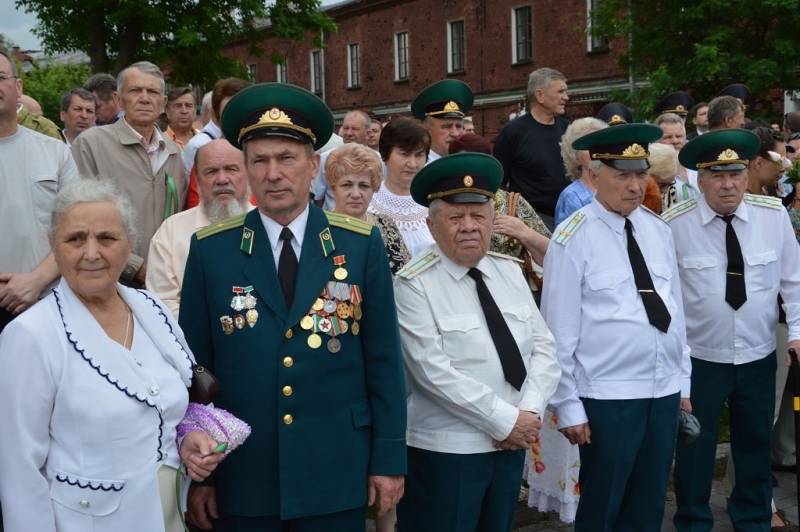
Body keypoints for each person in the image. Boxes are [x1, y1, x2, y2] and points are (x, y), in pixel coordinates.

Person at [179, 82, 407, 530]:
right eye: (259, 161)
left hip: (337, 467)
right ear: (245, 169)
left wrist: (388, 457)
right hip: (244, 474)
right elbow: (195, 368)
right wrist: (200, 476)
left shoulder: (360, 246)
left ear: (313, 165)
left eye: (286, 158)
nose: (273, 173)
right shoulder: (212, 251)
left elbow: (384, 361)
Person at [0, 178, 222, 532]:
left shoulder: (152, 309)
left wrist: (186, 438)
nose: (91, 253)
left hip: (169, 515)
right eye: (75, 239)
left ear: (129, 244)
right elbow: (18, 468)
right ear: (53, 246)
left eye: (107, 238)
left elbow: (169, 403)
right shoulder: (31, 335)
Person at [394, 152, 560, 532]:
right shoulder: (413, 284)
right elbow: (432, 373)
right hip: (447, 453)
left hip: (510, 447)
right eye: (455, 217)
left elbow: (544, 350)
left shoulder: (508, 271)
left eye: (479, 216)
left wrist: (529, 415)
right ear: (431, 225)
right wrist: (505, 422)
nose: (469, 227)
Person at [543, 123, 692, 531]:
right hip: (608, 396)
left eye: (640, 174)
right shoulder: (572, 238)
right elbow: (557, 331)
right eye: (622, 175)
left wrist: (683, 383)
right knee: (602, 504)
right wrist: (568, 405)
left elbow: (674, 311)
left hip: (662, 391)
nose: (633, 185)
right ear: (595, 176)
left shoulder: (657, 230)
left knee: (648, 503)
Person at [666, 129, 800, 532]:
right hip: (701, 358)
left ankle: (754, 518)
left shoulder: (772, 217)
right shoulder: (674, 226)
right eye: (717, 176)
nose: (728, 185)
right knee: (694, 448)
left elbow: (794, 282)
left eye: (736, 174)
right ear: (701, 180)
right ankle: (692, 521)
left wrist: (796, 332)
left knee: (755, 443)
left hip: (759, 354)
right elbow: (668, 298)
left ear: (748, 174)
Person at [72, 61, 187, 289]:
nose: (145, 98)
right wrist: (135, 267)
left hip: (166, 283)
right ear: (119, 99)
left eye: (153, 92)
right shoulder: (91, 144)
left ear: (163, 102)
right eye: (135, 91)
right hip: (110, 281)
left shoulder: (174, 153)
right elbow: (82, 220)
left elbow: (180, 219)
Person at [0, 49, 78, 332]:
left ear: (18, 87)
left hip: (46, 303)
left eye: (0, 77)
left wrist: (37, 279)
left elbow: (76, 229)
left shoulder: (55, 153)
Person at [147, 139, 254, 319]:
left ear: (249, 174)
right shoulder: (171, 232)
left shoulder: (269, 225)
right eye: (211, 171)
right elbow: (162, 302)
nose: (222, 179)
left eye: (231, 169)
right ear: (197, 179)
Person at [448, 132, 551, 267]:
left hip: (512, 283)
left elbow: (554, 251)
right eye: (462, 164)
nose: (470, 171)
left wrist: (524, 232)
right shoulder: (445, 202)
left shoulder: (511, 202)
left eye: (478, 163)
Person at [494, 67, 570, 231]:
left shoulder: (568, 130)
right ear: (540, 95)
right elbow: (499, 184)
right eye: (560, 91)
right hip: (532, 222)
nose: (566, 97)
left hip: (570, 218)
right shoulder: (513, 133)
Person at [325, 143, 410, 276]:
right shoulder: (320, 228)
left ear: (374, 188)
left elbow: (405, 274)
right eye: (346, 185)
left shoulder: (386, 224)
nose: (355, 194)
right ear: (333, 187)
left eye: (364, 186)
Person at [368, 116, 434, 257]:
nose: (412, 164)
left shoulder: (434, 204)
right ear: (385, 155)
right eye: (404, 154)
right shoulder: (367, 203)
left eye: (419, 155)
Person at [182, 78, 252, 209]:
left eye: (241, 111)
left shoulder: (268, 155)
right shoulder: (204, 155)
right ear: (217, 119)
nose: (236, 118)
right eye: (229, 114)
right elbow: (196, 208)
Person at [313, 109, 373, 211]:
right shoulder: (326, 158)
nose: (349, 133)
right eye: (345, 128)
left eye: (355, 129)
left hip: (368, 222)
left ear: (368, 133)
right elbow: (318, 198)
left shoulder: (379, 160)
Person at [554, 117, 607, 225]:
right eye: (588, 147)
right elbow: (567, 240)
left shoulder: (612, 185)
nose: (595, 151)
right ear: (575, 157)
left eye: (600, 144)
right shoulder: (571, 196)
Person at [410, 79, 473, 162]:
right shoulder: (416, 168)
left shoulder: (466, 164)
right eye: (446, 126)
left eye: (459, 126)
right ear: (426, 130)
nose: (455, 133)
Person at [656, 113, 701, 197]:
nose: (675, 141)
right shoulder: (652, 174)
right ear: (656, 141)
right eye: (668, 137)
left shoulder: (698, 166)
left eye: (679, 136)